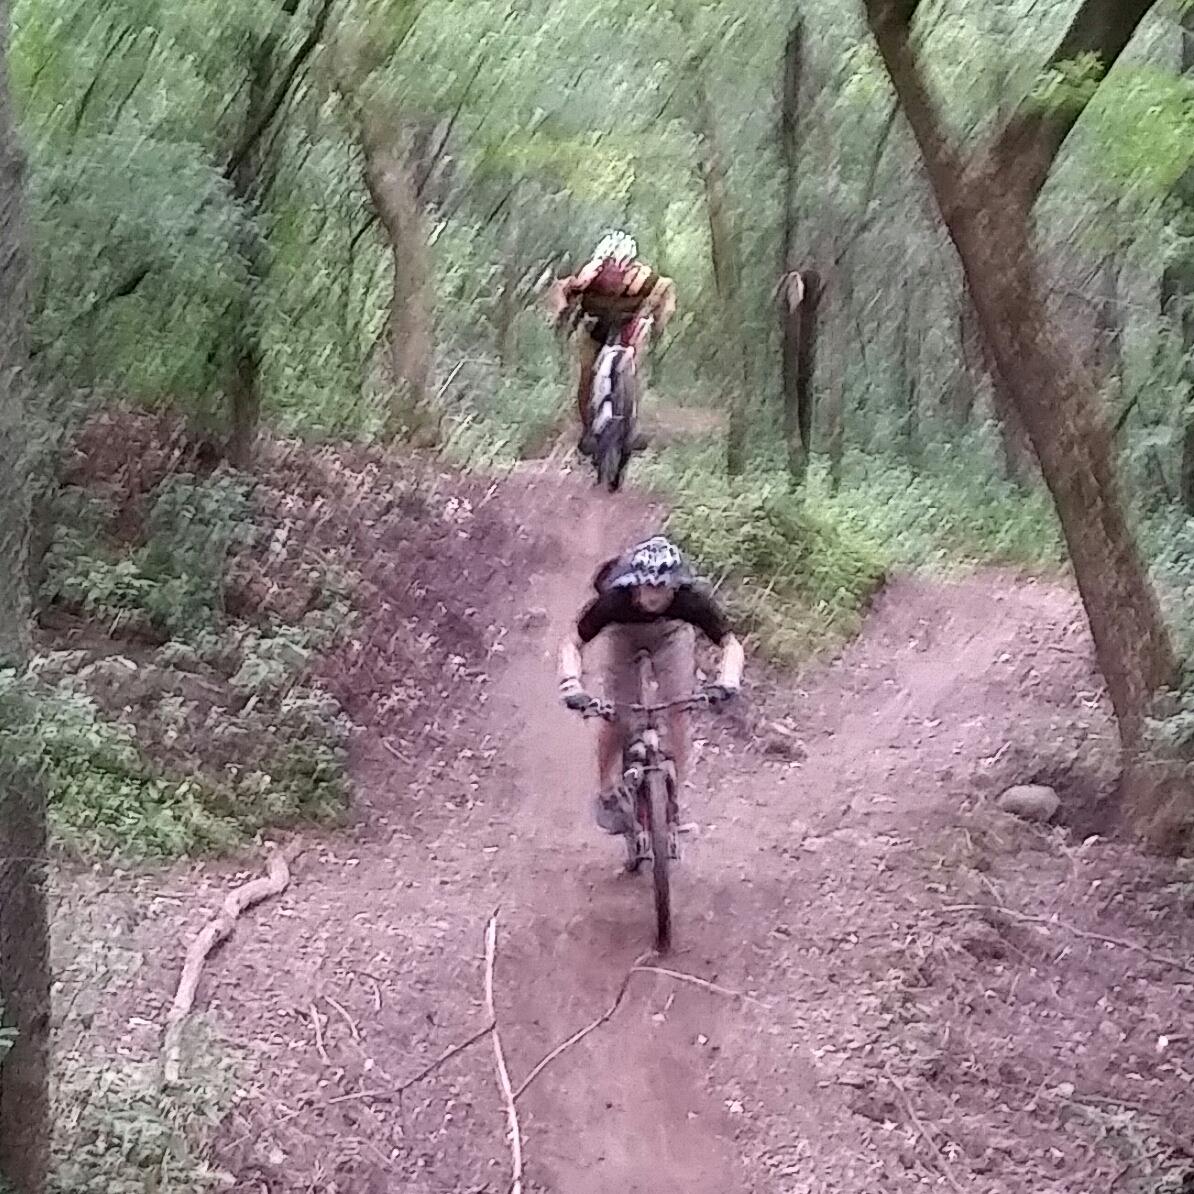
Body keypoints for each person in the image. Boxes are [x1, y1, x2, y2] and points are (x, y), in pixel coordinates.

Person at [557, 535, 745, 840]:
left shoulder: (690, 601)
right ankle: (607, 790)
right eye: (648, 587)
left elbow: (729, 643)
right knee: (617, 714)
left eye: (662, 589)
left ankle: (674, 805)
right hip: (622, 633)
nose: (654, 596)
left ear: (674, 585)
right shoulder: (613, 602)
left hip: (672, 633)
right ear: (635, 584)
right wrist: (572, 685)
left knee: (678, 709)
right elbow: (572, 642)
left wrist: (727, 681)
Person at [546, 230, 677, 457]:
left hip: (616, 327)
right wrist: (659, 324)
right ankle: (596, 429)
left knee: (609, 371)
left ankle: (617, 423)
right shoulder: (600, 275)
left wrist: (561, 317)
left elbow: (562, 288)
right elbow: (667, 291)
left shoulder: (600, 274)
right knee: (598, 371)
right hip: (603, 327)